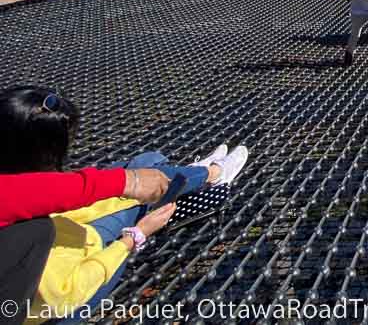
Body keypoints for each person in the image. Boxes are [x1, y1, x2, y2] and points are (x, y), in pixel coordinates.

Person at [0, 86, 248, 324]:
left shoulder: (14, 194)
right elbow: (73, 290)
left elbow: (51, 191)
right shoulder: (27, 246)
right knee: (151, 164)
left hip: (71, 228)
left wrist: (122, 188)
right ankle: (212, 175)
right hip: (89, 256)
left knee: (148, 162)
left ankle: (198, 176)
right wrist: (136, 235)